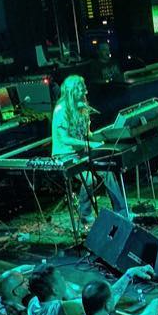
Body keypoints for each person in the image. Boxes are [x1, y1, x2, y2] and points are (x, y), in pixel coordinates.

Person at [51, 74, 129, 225]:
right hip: (65, 154)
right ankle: (85, 214)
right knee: (89, 179)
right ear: (72, 91)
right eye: (81, 90)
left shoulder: (83, 108)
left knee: (108, 170)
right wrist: (89, 145)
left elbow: (87, 134)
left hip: (82, 152)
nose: (85, 92)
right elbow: (64, 139)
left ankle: (122, 211)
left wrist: (104, 136)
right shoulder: (61, 110)